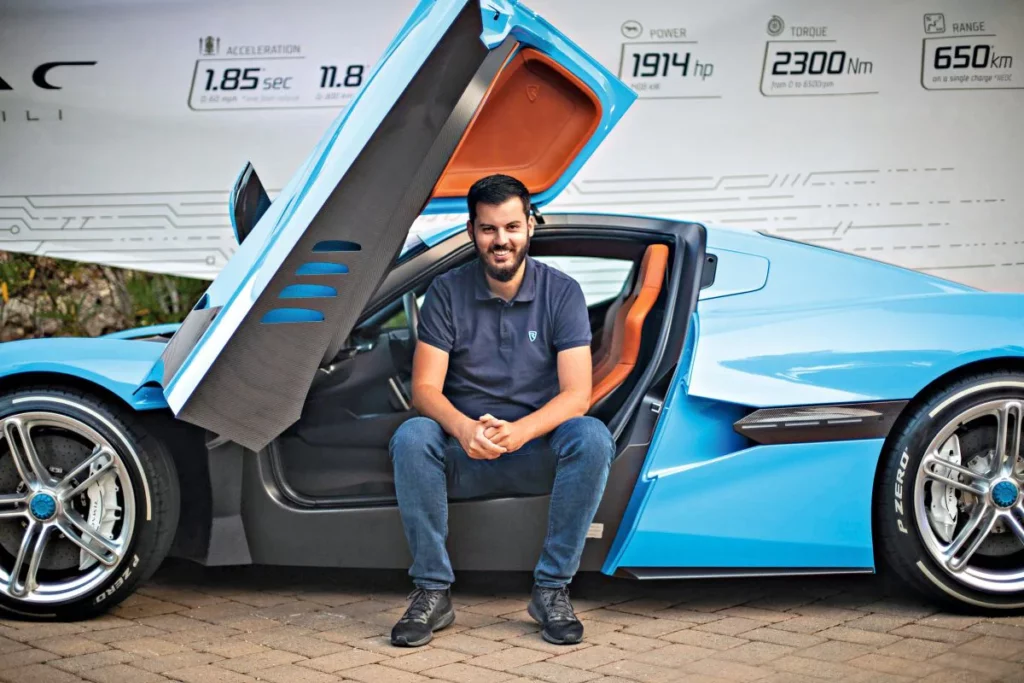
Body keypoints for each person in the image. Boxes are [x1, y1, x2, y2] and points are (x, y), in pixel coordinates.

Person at [388, 174, 615, 648]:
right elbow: (424, 389)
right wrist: (463, 429)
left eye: (511, 226)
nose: (501, 240)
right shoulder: (446, 292)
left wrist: (521, 432)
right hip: (464, 450)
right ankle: (433, 592)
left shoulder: (562, 292)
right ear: (472, 230)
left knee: (592, 436)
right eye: (489, 228)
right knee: (412, 435)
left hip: (538, 449)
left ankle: (551, 590)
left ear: (529, 225)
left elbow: (577, 394)